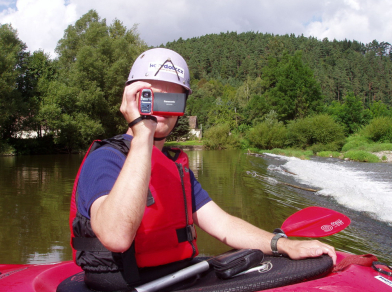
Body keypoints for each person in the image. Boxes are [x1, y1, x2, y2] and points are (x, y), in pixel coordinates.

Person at [70, 48, 336, 291]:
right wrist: (142, 136)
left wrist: (283, 244)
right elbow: (116, 237)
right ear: (131, 99)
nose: (162, 109)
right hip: (126, 285)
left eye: (172, 99)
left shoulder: (176, 168)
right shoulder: (105, 159)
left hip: (180, 277)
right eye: (152, 97)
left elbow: (223, 224)